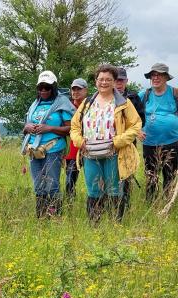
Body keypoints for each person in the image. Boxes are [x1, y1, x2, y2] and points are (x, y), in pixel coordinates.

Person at [70, 64, 141, 223]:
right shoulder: (87, 102)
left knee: (114, 190)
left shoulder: (123, 103)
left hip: (113, 153)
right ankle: (95, 226)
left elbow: (136, 125)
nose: (104, 82)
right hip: (90, 154)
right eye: (101, 79)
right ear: (96, 81)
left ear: (115, 81)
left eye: (108, 79)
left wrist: (118, 141)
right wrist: (79, 141)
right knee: (94, 190)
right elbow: (75, 126)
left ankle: (116, 226)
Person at [21, 71, 75, 218]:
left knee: (52, 184)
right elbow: (26, 124)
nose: (43, 90)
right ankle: (41, 218)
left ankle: (55, 217)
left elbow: (70, 128)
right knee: (38, 185)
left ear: (54, 87)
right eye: (40, 87)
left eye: (47, 87)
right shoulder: (35, 104)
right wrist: (27, 127)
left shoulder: (62, 103)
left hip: (53, 148)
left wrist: (49, 128)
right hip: (34, 149)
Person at [138, 63, 178, 202]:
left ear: (166, 77)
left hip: (172, 142)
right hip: (149, 143)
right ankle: (151, 203)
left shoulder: (175, 93)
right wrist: (137, 130)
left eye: (159, 75)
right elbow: (131, 115)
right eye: (153, 75)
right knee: (151, 176)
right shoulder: (144, 94)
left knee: (170, 175)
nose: (155, 78)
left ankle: (168, 204)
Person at [115, 67, 146, 209]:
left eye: (121, 80)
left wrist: (134, 131)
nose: (118, 83)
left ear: (126, 81)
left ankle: (124, 206)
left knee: (126, 174)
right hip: (108, 143)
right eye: (116, 80)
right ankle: (110, 203)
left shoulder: (133, 98)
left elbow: (141, 120)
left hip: (127, 143)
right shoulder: (104, 97)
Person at [65, 78, 88, 202]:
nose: (75, 92)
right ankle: (69, 205)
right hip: (72, 151)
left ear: (86, 90)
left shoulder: (91, 105)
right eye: (73, 89)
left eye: (79, 89)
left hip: (90, 148)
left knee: (94, 179)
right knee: (70, 180)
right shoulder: (66, 107)